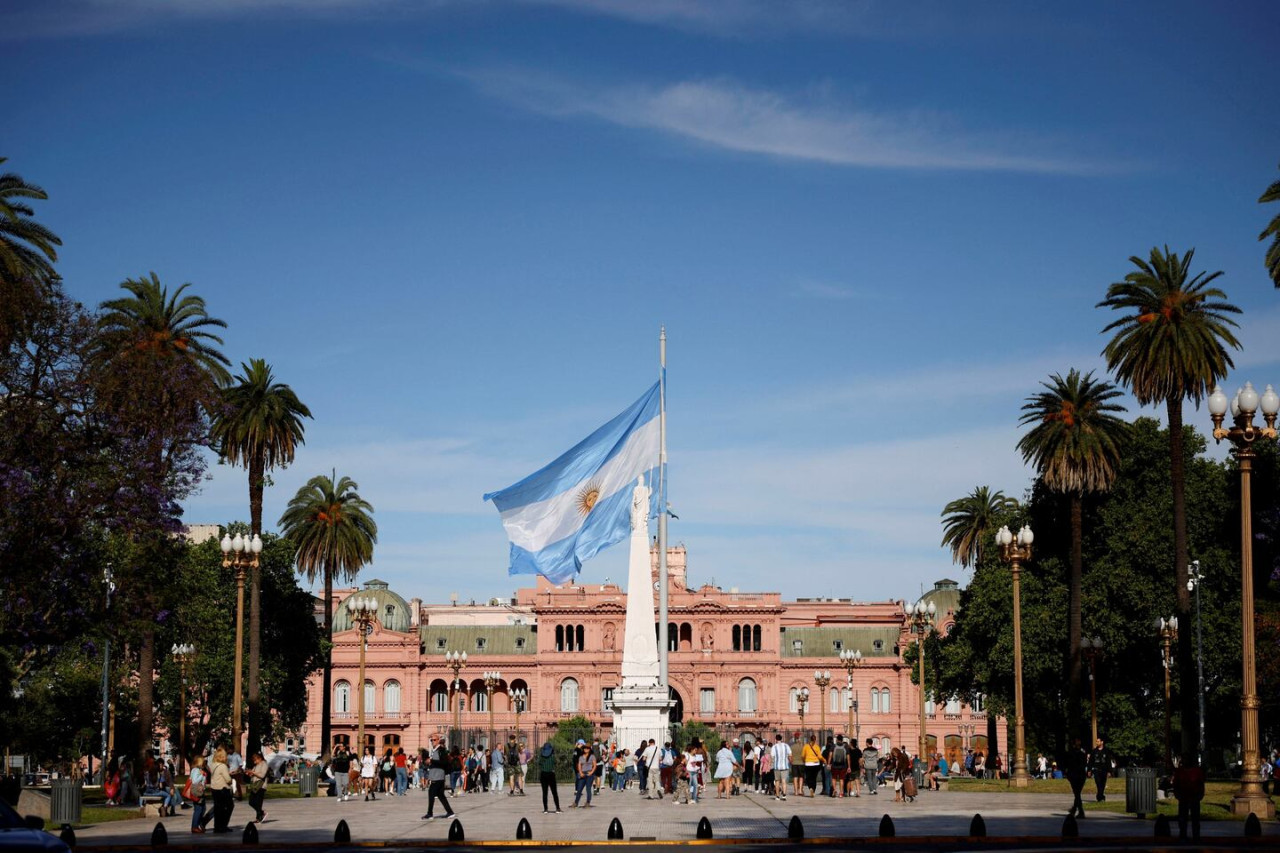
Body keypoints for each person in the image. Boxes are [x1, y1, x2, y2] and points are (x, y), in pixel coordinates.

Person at [420, 735, 456, 820]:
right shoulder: (434, 751)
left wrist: (431, 761)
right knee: (440, 795)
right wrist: (427, 762)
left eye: (434, 740)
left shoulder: (441, 750)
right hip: (435, 775)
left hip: (438, 776)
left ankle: (430, 814)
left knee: (431, 793)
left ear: (438, 740)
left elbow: (443, 762)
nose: (432, 742)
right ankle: (450, 812)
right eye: (431, 740)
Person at [199, 748, 234, 833]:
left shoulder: (213, 764)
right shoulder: (223, 766)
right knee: (229, 806)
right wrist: (231, 779)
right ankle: (223, 825)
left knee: (218, 808)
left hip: (214, 788)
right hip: (223, 789)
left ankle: (214, 825)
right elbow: (228, 779)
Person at [1172, 756, 1205, 841]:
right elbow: (1176, 784)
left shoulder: (1197, 771)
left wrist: (1200, 795)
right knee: (1182, 818)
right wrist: (1177, 795)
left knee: (1195, 818)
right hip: (1183, 797)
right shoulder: (1179, 771)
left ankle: (1196, 836)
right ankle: (1183, 835)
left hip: (1194, 797)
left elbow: (1201, 783)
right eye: (1184, 760)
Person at [1064, 738, 1087, 820]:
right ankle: (1076, 810)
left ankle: (1079, 811)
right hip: (1079, 775)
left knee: (1077, 793)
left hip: (1076, 774)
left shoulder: (1072, 752)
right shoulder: (1082, 751)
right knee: (1077, 793)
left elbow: (1068, 763)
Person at [538, 741, 561, 814]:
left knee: (544, 792)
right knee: (554, 792)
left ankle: (545, 809)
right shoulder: (552, 756)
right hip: (551, 774)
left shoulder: (541, 756)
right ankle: (557, 808)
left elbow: (539, 763)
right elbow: (557, 762)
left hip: (543, 774)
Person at [187, 755, 208, 834]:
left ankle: (198, 825)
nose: (204, 762)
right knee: (198, 809)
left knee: (202, 808)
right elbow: (195, 781)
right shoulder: (196, 770)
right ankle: (194, 826)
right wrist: (202, 775)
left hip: (200, 791)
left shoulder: (199, 770)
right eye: (203, 761)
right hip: (197, 792)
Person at [246, 752, 268, 824]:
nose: (254, 761)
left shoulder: (264, 764)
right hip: (254, 785)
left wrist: (253, 772)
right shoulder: (256, 766)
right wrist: (249, 773)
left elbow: (262, 775)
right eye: (253, 760)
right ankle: (261, 813)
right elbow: (254, 775)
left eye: (255, 760)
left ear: (260, 758)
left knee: (258, 802)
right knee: (251, 801)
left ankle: (259, 818)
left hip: (261, 785)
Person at [573, 740, 597, 807]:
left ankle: (588, 802)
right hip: (582, 774)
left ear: (590, 749)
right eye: (585, 748)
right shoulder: (581, 756)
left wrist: (591, 772)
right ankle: (576, 802)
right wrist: (580, 773)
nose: (586, 749)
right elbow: (579, 765)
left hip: (589, 774)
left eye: (587, 748)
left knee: (588, 789)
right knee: (579, 789)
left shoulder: (592, 756)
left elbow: (595, 765)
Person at [770, 734, 790, 801]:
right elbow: (790, 754)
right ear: (781, 739)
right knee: (784, 781)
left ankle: (777, 796)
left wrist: (771, 763)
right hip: (785, 766)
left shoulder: (774, 747)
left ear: (775, 739)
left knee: (777, 781)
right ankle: (784, 795)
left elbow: (772, 756)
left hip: (777, 766)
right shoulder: (786, 746)